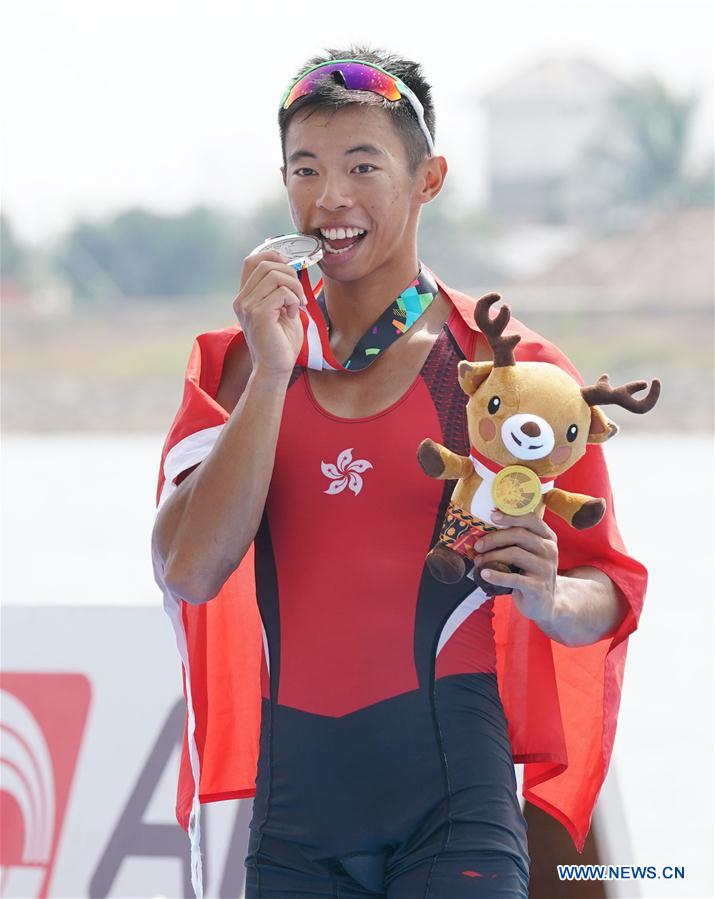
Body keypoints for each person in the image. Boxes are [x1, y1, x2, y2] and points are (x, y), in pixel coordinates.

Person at [152, 47, 648, 899]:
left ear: (428, 179)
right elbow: (189, 571)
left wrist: (548, 596)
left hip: (453, 805)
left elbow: (610, 583)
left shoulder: (507, 375)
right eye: (305, 169)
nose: (329, 197)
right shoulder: (241, 369)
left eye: (361, 165)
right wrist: (273, 374)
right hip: (294, 821)